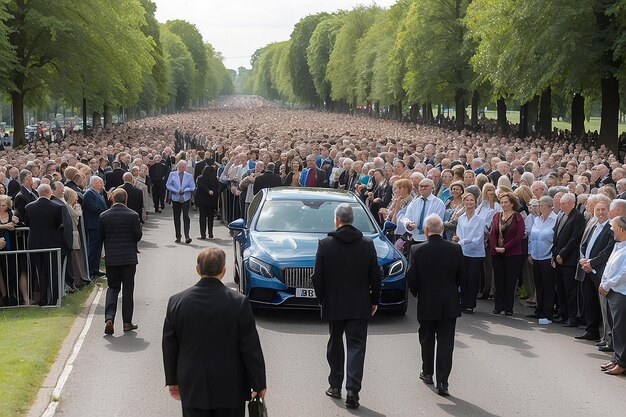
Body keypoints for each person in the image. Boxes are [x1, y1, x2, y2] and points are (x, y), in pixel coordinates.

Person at [162, 248, 267, 417]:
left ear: (198, 270)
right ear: (223, 270)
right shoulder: (238, 303)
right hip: (230, 387)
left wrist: (172, 381)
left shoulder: (177, 302)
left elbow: (169, 346)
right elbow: (250, 347)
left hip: (192, 385)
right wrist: (258, 383)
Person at [311, 203, 381, 409]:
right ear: (352, 220)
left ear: (337, 220)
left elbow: (318, 277)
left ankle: (335, 385)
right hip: (360, 302)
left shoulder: (325, 244)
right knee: (357, 346)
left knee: (335, 342)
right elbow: (375, 276)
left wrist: (321, 298)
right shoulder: (367, 244)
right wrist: (375, 300)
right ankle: (352, 388)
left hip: (334, 301)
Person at [406, 214, 463, 396]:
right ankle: (443, 382)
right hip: (449, 301)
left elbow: (411, 276)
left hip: (427, 300)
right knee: (446, 343)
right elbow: (461, 275)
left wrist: (418, 292)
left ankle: (428, 372)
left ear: (426, 230)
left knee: (427, 338)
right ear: (443, 230)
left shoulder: (417, 249)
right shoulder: (455, 249)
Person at [100, 189, 142, 335]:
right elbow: (138, 235)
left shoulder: (104, 216)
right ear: (126, 199)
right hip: (128, 257)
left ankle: (109, 317)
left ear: (112, 199)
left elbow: (101, 236)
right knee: (128, 290)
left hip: (112, 257)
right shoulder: (133, 215)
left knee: (112, 287)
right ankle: (127, 322)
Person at [575, 198, 614, 341]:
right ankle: (591, 331)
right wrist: (582, 259)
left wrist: (591, 263)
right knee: (588, 301)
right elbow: (583, 245)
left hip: (599, 271)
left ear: (609, 211)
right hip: (586, 269)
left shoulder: (611, 228)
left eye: (603, 209)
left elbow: (607, 251)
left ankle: (606, 337)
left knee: (603, 305)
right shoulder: (593, 225)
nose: (600, 212)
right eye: (598, 210)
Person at [23, 184, 64, 306]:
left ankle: (41, 298)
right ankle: (53, 298)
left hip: (34, 243)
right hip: (51, 242)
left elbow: (27, 222)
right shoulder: (57, 207)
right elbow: (58, 224)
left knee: (38, 270)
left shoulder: (29, 207)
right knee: (52, 270)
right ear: (49, 192)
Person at [489, 191, 525, 315]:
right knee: (498, 280)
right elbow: (492, 233)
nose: (503, 205)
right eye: (502, 202)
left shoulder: (517, 217)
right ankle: (498, 306)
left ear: (512, 204)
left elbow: (519, 236)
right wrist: (494, 247)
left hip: (512, 254)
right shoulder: (496, 216)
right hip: (496, 253)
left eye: (506, 202)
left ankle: (508, 308)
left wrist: (505, 247)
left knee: (510, 280)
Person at [552, 192, 585, 326]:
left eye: (563, 204)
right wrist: (555, 253)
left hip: (569, 260)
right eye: (560, 203)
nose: (561, 206)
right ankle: (562, 312)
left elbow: (575, 239)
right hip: (558, 258)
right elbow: (556, 235)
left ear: (571, 203)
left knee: (570, 290)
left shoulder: (578, 217)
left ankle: (572, 317)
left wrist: (562, 254)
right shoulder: (561, 215)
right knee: (560, 287)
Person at [599, 216, 626, 375]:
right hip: (612, 292)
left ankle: (622, 363)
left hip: (621, 293)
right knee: (614, 328)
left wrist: (607, 284)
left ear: (621, 229)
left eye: (613, 227)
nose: (611, 230)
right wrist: (603, 283)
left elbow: (623, 273)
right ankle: (616, 358)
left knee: (621, 330)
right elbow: (610, 267)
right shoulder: (618, 246)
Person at [528, 196, 558, 323]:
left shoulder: (555, 219)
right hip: (536, 256)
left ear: (550, 206)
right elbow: (532, 237)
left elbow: (556, 239)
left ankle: (548, 311)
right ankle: (539, 309)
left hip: (548, 257)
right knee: (539, 284)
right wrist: (530, 252)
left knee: (548, 285)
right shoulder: (537, 219)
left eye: (543, 205)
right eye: (539, 205)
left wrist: (554, 254)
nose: (540, 208)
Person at [454, 192, 484, 313]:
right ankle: (463, 302)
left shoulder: (480, 219)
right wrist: (462, 241)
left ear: (475, 202)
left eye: (472, 200)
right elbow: (459, 232)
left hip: (476, 253)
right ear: (464, 202)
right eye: (467, 200)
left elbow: (479, 237)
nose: (469, 202)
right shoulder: (461, 218)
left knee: (472, 278)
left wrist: (466, 241)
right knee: (463, 278)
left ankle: (471, 304)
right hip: (463, 251)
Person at [399, 178, 446, 243]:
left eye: (426, 186)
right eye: (421, 186)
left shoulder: (439, 203)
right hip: (415, 238)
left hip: (432, 239)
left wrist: (422, 230)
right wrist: (408, 224)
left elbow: (437, 223)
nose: (423, 188)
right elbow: (406, 217)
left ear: (432, 188)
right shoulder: (414, 202)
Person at [82, 176, 108, 279]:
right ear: (94, 183)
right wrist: (104, 210)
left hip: (98, 225)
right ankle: (90, 271)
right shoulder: (89, 194)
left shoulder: (98, 194)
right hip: (93, 224)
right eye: (100, 183)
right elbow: (94, 208)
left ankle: (95, 269)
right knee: (93, 249)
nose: (102, 185)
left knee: (97, 249)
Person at [166, 160, 195, 244]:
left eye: (184, 167)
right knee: (176, 217)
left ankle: (187, 236)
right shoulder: (172, 174)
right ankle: (178, 236)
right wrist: (175, 190)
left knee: (186, 216)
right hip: (176, 197)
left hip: (185, 198)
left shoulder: (189, 176)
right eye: (182, 167)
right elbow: (168, 185)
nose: (183, 168)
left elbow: (192, 187)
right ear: (178, 167)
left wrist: (186, 190)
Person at [195, 165, 219, 240]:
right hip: (211, 201)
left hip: (202, 200)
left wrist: (207, 190)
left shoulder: (200, 178)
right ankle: (210, 233)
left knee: (202, 217)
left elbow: (199, 185)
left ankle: (203, 234)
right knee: (210, 217)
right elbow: (217, 189)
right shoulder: (215, 179)